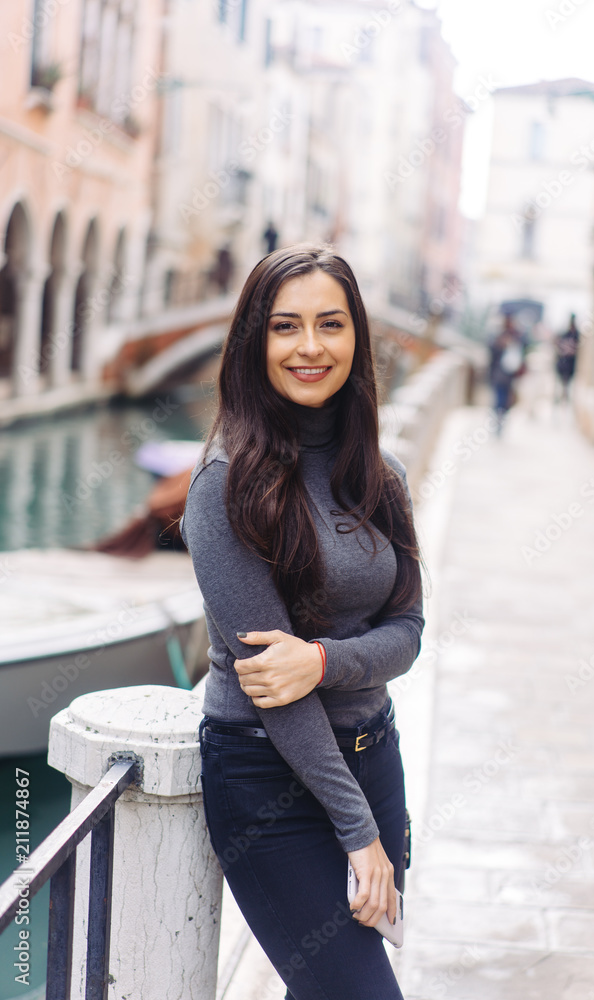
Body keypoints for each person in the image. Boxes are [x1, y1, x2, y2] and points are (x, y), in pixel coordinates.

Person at [180, 243, 424, 1000]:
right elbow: (269, 688)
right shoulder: (224, 487)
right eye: (286, 327)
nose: (310, 347)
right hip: (265, 777)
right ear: (255, 342)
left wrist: (320, 661)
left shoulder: (379, 478)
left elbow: (408, 635)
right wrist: (360, 836)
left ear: (357, 338)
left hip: (371, 753)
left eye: (331, 324)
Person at [488, 315, 527, 434]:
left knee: (503, 400)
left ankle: (499, 420)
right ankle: (498, 420)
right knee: (500, 399)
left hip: (507, 375)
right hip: (502, 375)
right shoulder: (500, 337)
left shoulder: (514, 338)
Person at [554, 313, 580, 402]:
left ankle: (565, 398)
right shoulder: (564, 335)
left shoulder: (576, 335)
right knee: (561, 385)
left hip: (570, 366)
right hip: (563, 365)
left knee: (568, 386)